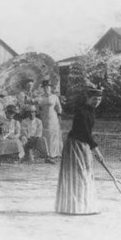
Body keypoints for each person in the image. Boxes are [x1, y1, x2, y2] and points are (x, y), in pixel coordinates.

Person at [55, 85, 104, 215]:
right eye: (95, 99)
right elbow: (85, 133)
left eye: (99, 99)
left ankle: (84, 206)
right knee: (78, 176)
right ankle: (75, 208)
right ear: (88, 98)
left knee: (84, 174)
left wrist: (93, 148)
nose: (97, 102)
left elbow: (87, 134)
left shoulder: (90, 111)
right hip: (75, 146)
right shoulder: (82, 112)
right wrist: (96, 150)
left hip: (83, 145)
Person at [36, 80, 63, 162]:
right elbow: (37, 108)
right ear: (43, 89)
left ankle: (54, 153)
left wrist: (59, 115)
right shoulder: (40, 97)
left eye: (48, 87)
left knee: (53, 134)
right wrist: (38, 115)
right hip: (43, 117)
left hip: (53, 117)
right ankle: (46, 153)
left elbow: (59, 107)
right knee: (45, 134)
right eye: (44, 87)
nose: (46, 89)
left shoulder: (55, 97)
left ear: (50, 88)